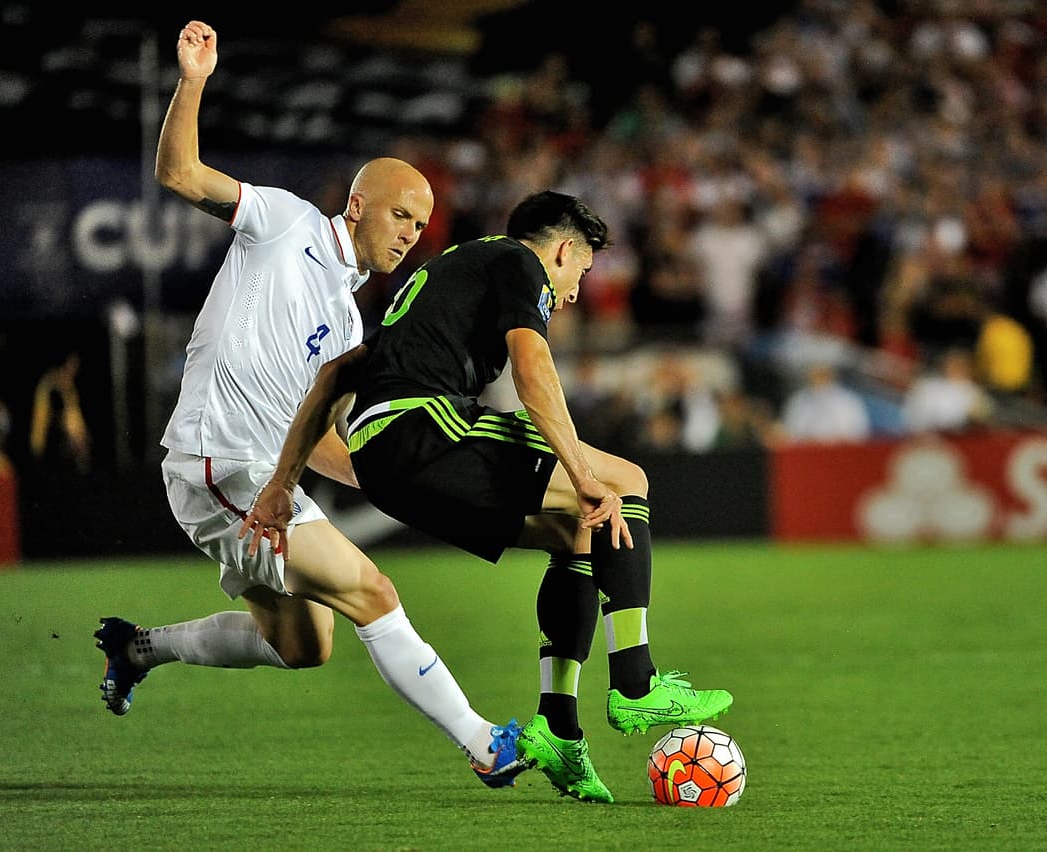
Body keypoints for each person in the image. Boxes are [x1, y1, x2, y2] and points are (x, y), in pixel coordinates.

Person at [93, 20, 526, 790]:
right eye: (401, 215)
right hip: (215, 458)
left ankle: (138, 649)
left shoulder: (352, 318)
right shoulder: (286, 220)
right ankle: (484, 740)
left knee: (303, 644)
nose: (412, 235)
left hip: (261, 469)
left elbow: (313, 429)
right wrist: (193, 79)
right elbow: (182, 174)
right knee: (373, 592)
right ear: (357, 205)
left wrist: (398, 483)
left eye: (422, 226)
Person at [240, 190, 734, 804]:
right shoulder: (519, 264)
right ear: (562, 249)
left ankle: (558, 727)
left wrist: (282, 485)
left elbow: (338, 373)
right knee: (625, 482)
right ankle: (637, 683)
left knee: (574, 531)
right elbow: (532, 370)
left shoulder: (447, 275)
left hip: (385, 458)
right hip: (423, 427)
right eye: (581, 268)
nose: (578, 287)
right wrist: (581, 471)